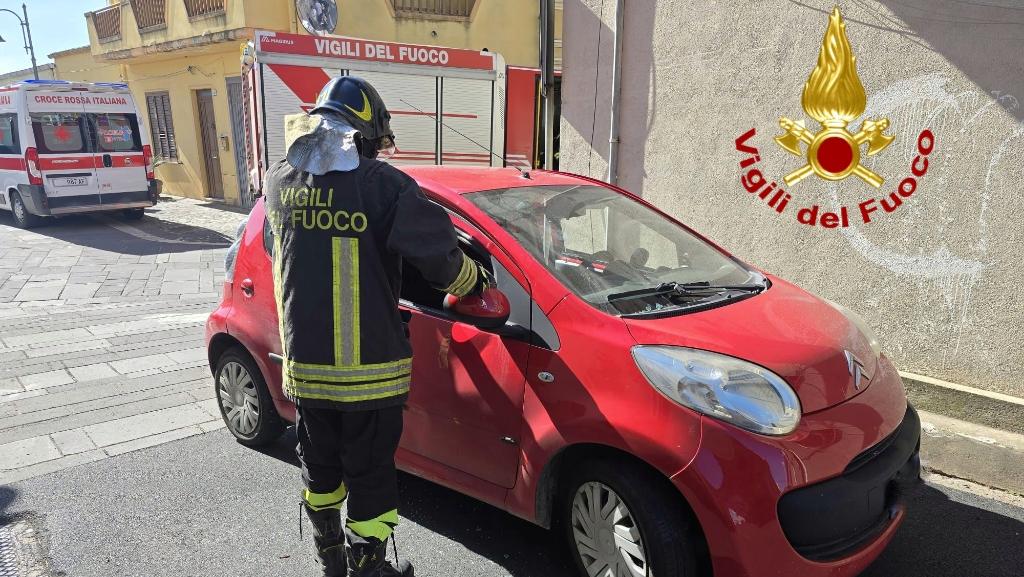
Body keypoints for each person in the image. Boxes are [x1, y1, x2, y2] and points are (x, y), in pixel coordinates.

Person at [264, 76, 489, 577]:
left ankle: (331, 564)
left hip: (305, 372)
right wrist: (475, 281)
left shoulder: (279, 181)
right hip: (370, 377)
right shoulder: (384, 186)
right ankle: (368, 569)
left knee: (320, 471)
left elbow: (273, 249)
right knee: (370, 481)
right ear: (363, 134)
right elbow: (442, 262)